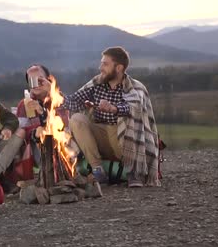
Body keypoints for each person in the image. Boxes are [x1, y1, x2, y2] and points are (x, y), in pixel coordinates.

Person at [58, 47, 161, 187]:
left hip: (125, 143)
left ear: (119, 68)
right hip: (100, 140)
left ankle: (135, 172)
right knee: (77, 119)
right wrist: (53, 94)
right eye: (101, 63)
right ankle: (97, 170)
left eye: (105, 64)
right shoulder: (97, 84)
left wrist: (114, 108)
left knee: (127, 121)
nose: (100, 67)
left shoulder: (135, 88)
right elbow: (73, 101)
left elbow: (133, 108)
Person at [15, 64, 71, 168]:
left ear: (48, 80)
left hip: (63, 147)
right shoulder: (24, 104)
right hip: (38, 150)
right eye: (32, 81)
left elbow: (65, 125)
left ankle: (64, 168)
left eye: (39, 80)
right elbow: (21, 132)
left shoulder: (58, 99)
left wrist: (42, 112)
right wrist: (35, 132)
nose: (36, 84)